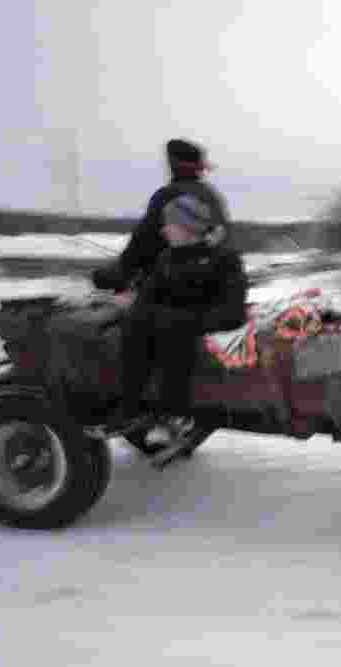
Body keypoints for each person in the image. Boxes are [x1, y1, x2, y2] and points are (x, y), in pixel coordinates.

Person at [105, 194, 248, 440]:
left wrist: (178, 318)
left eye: (168, 224)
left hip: (205, 325)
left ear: (186, 228)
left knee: (173, 332)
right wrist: (132, 302)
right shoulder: (167, 259)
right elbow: (150, 297)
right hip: (169, 324)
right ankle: (131, 409)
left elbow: (232, 312)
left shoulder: (223, 259)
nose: (163, 230)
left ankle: (174, 415)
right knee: (136, 322)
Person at [93, 138, 230, 298]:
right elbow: (223, 239)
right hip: (217, 284)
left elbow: (142, 243)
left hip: (172, 288)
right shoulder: (212, 197)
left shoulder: (166, 196)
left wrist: (118, 274)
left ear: (174, 164)